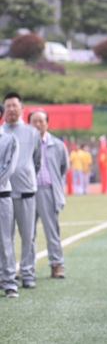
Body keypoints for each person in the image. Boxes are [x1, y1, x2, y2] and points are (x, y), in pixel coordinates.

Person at [2, 93, 42, 290]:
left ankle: (27, 273)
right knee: (4, 238)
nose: (11, 109)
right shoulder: (1, 132)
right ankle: (5, 274)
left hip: (25, 192)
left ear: (22, 108)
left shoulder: (32, 132)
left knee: (28, 235)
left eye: (14, 105)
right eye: (7, 106)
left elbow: (37, 160)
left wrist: (26, 175)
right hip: (3, 193)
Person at [28, 110, 69, 279]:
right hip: (27, 192)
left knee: (52, 230)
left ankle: (56, 265)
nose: (38, 125)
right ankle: (28, 268)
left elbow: (63, 166)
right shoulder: (24, 143)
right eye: (34, 121)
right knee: (28, 233)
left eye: (41, 121)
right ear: (29, 124)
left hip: (48, 191)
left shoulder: (57, 145)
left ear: (47, 124)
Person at [0, 102, 19, 298]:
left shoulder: (9, 139)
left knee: (5, 240)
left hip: (2, 196)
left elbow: (8, 168)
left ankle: (9, 283)